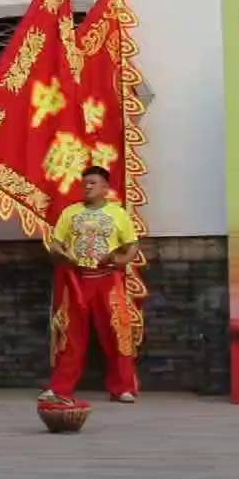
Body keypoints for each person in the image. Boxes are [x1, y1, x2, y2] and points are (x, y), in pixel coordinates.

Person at [42, 166, 141, 404]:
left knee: (117, 333)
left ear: (106, 188)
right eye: (85, 183)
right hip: (77, 280)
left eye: (93, 183)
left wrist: (119, 261)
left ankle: (123, 387)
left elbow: (132, 245)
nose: (87, 187)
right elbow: (55, 243)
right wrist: (61, 254)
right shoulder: (70, 213)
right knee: (71, 336)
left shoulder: (118, 214)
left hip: (108, 280)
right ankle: (60, 388)